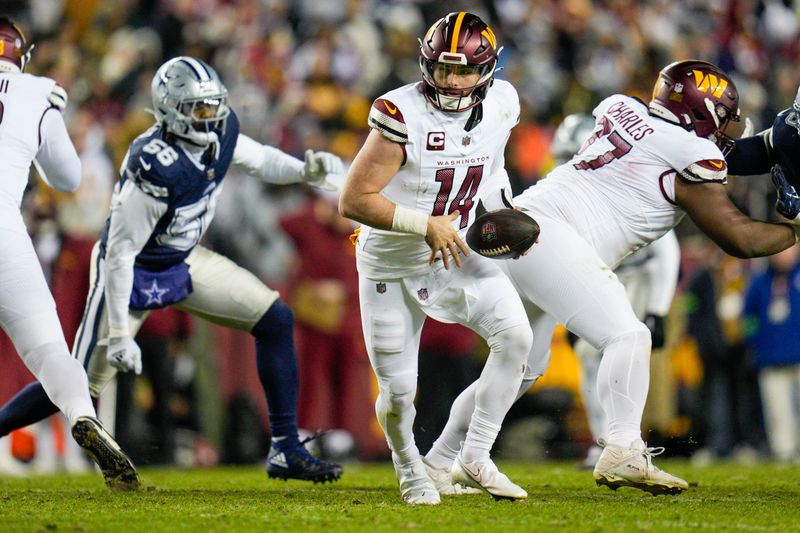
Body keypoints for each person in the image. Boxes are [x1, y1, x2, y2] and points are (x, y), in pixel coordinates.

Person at [424, 59, 800, 496]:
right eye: (723, 115)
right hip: (549, 239)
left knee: (522, 365)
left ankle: (442, 460)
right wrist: (794, 230)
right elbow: (741, 238)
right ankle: (623, 447)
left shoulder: (623, 108)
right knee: (627, 335)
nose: (728, 127)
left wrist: (777, 143)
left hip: (523, 222)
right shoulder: (690, 154)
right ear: (704, 112)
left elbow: (732, 155)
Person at [0, 55, 343, 483]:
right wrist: (121, 334)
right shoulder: (153, 162)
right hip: (132, 271)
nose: (209, 116)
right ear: (169, 110)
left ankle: (285, 448)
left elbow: (256, 158)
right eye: (197, 109)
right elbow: (121, 253)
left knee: (275, 318)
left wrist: (302, 170)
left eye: (212, 105)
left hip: (182, 260)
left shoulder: (219, 133)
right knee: (77, 385)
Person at [339, 12, 533, 504]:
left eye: (464, 71)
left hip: (456, 247)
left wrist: (502, 212)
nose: (450, 81)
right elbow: (354, 200)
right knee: (400, 392)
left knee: (516, 337)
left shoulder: (503, 103)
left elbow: (489, 166)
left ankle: (474, 455)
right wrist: (424, 224)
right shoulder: (401, 113)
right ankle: (410, 470)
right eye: (442, 69)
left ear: (488, 70)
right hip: (392, 260)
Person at [0, 16, 139, 490]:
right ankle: (82, 415)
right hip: (4, 228)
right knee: (50, 351)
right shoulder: (35, 91)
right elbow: (68, 179)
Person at [551, 114, 681, 468]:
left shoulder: (624, 186)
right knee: (590, 361)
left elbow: (666, 250)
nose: (567, 167)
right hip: (595, 281)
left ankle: (627, 442)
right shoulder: (561, 197)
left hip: (635, 282)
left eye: (570, 157)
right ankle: (603, 443)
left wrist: (657, 308)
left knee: (625, 358)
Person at [743, 246, 800, 461]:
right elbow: (748, 317)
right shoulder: (759, 281)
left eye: (788, 250)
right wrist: (755, 341)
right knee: (777, 410)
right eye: (779, 250)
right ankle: (783, 452)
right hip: (769, 358)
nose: (783, 255)